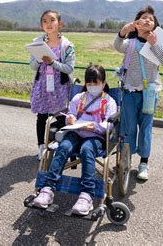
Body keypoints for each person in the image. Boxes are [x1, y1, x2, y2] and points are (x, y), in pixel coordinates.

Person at [32, 65, 117, 215]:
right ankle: (48, 189)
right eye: (89, 84)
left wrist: (95, 127)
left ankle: (87, 195)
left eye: (96, 84)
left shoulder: (109, 101)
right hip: (76, 132)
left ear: (103, 83)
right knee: (63, 146)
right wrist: (70, 119)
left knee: (86, 150)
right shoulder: (79, 98)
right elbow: (70, 114)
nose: (92, 87)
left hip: (95, 137)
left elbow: (109, 125)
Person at [113, 5, 163, 181]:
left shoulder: (156, 45)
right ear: (136, 24)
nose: (147, 20)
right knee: (128, 127)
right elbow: (116, 45)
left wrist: (155, 44)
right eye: (144, 17)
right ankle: (127, 159)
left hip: (149, 94)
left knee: (146, 129)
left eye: (151, 19)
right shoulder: (129, 44)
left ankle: (144, 163)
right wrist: (122, 31)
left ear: (154, 26)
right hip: (129, 92)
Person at [29, 10, 75, 160]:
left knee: (62, 117)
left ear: (59, 23)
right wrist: (39, 59)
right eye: (44, 21)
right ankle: (41, 146)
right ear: (41, 24)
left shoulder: (67, 45)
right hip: (42, 84)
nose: (48, 24)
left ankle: (64, 148)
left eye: (52, 20)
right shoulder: (37, 42)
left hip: (60, 87)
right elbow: (33, 66)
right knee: (42, 116)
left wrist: (52, 62)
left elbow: (69, 68)